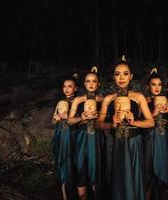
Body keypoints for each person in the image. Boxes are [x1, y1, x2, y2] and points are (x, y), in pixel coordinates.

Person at [97, 58, 155, 200]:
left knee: (134, 177)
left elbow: (151, 122)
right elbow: (98, 124)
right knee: (115, 178)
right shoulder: (108, 99)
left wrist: (134, 121)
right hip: (115, 143)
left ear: (131, 76)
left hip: (134, 143)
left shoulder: (138, 97)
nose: (121, 78)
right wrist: (111, 124)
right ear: (113, 77)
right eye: (117, 74)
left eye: (125, 73)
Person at [68, 66, 103, 200]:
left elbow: (108, 120)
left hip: (97, 136)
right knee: (81, 168)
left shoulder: (102, 100)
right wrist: (81, 118)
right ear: (84, 83)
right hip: (82, 136)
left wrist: (99, 115)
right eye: (88, 81)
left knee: (96, 169)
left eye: (94, 81)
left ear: (98, 84)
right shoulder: (78, 100)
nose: (91, 84)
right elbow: (70, 121)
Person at [144, 68, 168, 200]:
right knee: (148, 170)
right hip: (149, 137)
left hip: (164, 137)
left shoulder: (167, 101)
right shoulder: (144, 101)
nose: (157, 87)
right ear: (148, 86)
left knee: (165, 167)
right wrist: (153, 114)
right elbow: (140, 123)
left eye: (159, 84)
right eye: (154, 84)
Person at [51, 74, 78, 200]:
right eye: (64, 86)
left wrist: (70, 117)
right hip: (61, 133)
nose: (66, 89)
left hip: (72, 134)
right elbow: (53, 120)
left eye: (70, 86)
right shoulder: (60, 102)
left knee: (72, 162)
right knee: (62, 162)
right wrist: (57, 118)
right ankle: (64, 195)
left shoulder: (78, 102)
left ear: (75, 88)